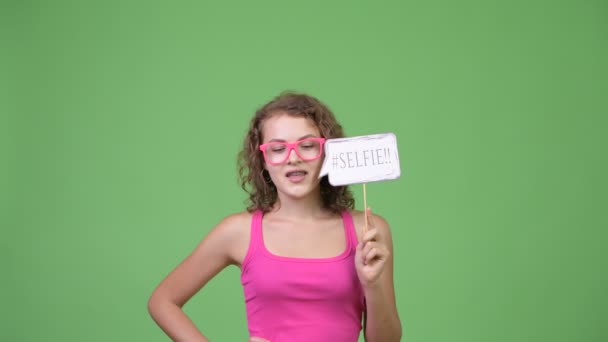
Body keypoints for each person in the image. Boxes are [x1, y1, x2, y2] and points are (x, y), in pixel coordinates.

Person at [148, 92, 402, 341]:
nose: (293, 158)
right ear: (263, 161)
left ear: (327, 153)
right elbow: (163, 301)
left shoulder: (368, 230)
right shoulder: (239, 231)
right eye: (278, 148)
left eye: (307, 145)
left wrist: (372, 285)